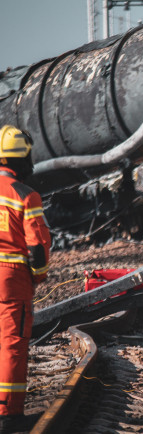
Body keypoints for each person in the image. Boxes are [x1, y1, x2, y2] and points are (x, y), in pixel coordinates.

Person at [0, 126, 50, 433]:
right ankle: (10, 416)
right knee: (12, 344)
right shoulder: (26, 195)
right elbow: (37, 247)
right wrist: (39, 276)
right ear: (22, 159)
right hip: (11, 280)